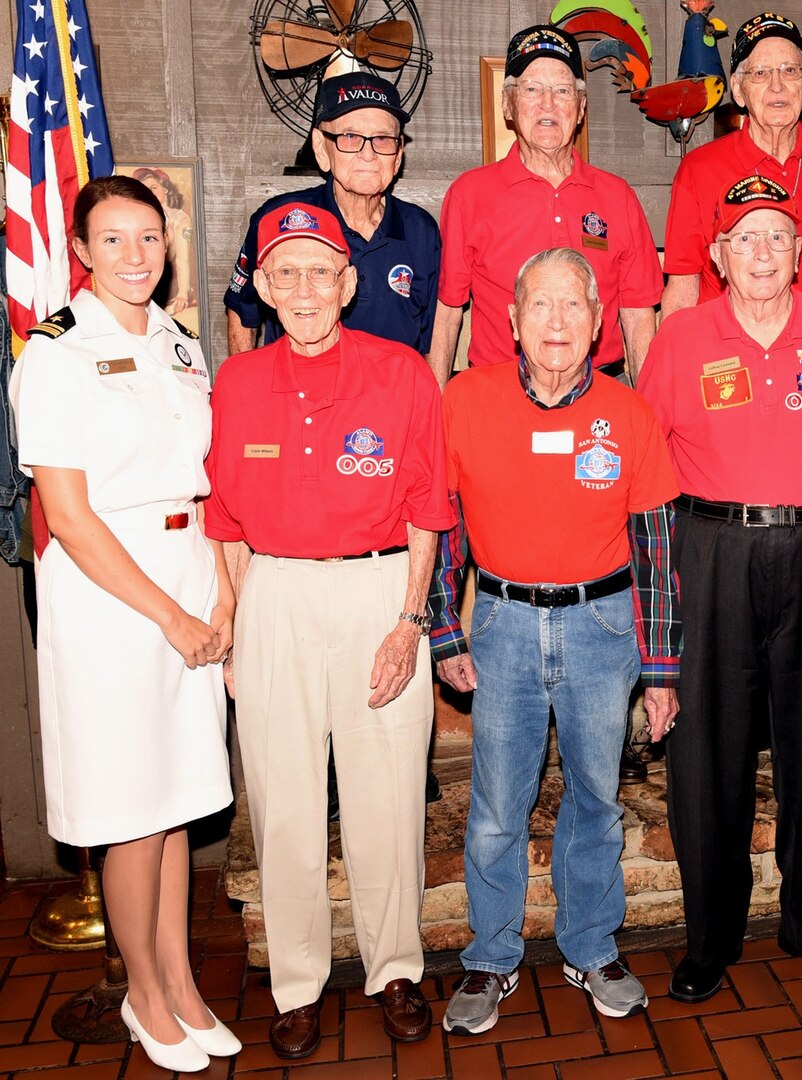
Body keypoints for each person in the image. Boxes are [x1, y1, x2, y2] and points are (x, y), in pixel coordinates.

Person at [638, 176, 802, 1002]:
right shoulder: (681, 338)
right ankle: (709, 935)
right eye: (744, 237)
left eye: (777, 237)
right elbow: (645, 477)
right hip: (710, 550)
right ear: (717, 256)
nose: (761, 252)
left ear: (799, 254)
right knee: (705, 749)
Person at [205, 203, 453, 1057]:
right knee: (284, 804)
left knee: (387, 799)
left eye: (321, 272)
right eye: (286, 273)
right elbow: (226, 520)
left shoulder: (403, 374)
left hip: (380, 589)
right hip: (274, 592)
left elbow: (428, 507)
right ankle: (299, 982)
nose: (305, 289)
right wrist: (237, 624)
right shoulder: (234, 385)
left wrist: (409, 618)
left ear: (348, 285)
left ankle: (395, 971)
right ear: (263, 289)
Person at [9, 176, 238, 1072]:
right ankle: (143, 994)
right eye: (114, 240)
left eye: (149, 238)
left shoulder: (182, 347)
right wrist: (173, 616)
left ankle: (180, 981)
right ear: (81, 251)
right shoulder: (57, 353)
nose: (137, 256)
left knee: (179, 805)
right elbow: (67, 514)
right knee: (132, 810)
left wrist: (217, 595)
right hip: (112, 592)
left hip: (186, 567)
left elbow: (203, 484)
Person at [429, 248, 681, 1030]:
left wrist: (662, 668)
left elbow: (659, 552)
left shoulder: (630, 413)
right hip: (501, 624)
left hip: (601, 626)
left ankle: (590, 944)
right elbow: (441, 528)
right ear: (510, 320)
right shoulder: (463, 400)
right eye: (540, 305)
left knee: (596, 798)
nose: (558, 322)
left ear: (600, 320)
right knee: (499, 806)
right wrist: (443, 630)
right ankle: (491, 957)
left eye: (574, 306)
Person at [430, 24, 661, 387]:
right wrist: (435, 411)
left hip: (601, 391)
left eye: (563, 90)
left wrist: (651, 414)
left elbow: (638, 315)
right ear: (508, 104)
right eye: (532, 89)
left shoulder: (618, 197)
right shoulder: (468, 195)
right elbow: (446, 314)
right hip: (498, 391)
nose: (548, 104)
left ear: (581, 107)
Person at [662, 12, 802, 334]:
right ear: (738, 89)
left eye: (790, 71)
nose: (777, 85)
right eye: (761, 73)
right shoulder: (697, 171)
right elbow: (681, 296)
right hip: (728, 366)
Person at [224, 71, 441, 360]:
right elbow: (242, 310)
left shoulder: (421, 230)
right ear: (320, 148)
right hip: (299, 398)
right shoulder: (280, 219)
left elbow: (430, 337)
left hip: (393, 399)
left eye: (383, 139)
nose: (368, 154)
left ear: (398, 154)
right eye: (350, 137)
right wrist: (247, 394)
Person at [133, 168, 195, 318]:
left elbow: (182, 259)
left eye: (154, 187)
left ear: (166, 189)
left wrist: (182, 293)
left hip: (171, 286)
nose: (150, 192)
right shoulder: (139, 216)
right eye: (145, 189)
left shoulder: (181, 220)